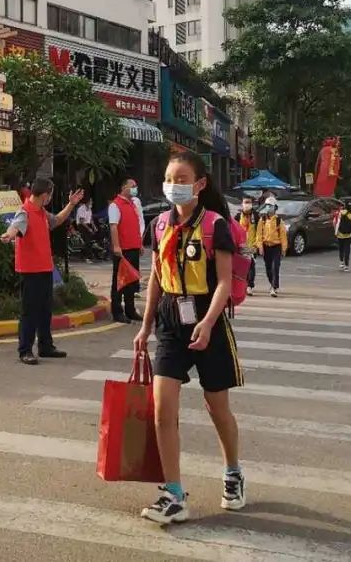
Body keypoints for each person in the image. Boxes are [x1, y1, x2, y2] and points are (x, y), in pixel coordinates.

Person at [134, 151, 244, 524]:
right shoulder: (159, 225)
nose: (174, 185)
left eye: (182, 179)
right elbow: (155, 276)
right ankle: (174, 493)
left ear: (200, 185)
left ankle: (233, 473)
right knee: (163, 410)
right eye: (169, 179)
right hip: (170, 321)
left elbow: (225, 282)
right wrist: (145, 326)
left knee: (217, 407)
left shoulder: (215, 225)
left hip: (207, 318)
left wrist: (209, 322)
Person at [1, 178, 84, 365]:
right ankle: (25, 350)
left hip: (45, 268)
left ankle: (46, 346)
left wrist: (71, 204)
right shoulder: (25, 211)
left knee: (45, 310)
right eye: (51, 195)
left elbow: (57, 220)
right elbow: (15, 226)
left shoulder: (41, 212)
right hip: (30, 271)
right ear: (45, 195)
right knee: (30, 311)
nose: (50, 198)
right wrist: (8, 235)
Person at [108, 178, 144, 322]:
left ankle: (130, 310)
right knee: (119, 282)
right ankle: (117, 312)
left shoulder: (133, 204)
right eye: (132, 186)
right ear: (124, 187)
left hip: (134, 248)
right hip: (122, 250)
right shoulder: (115, 205)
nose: (135, 188)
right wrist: (116, 246)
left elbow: (136, 225)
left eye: (136, 185)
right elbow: (113, 227)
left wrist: (140, 244)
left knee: (131, 281)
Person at [255, 197, 287, 297]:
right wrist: (260, 247)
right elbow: (259, 235)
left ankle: (274, 287)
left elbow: (283, 236)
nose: (269, 208)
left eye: (270, 206)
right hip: (266, 247)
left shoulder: (279, 221)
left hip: (276, 247)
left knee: (275, 267)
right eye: (267, 206)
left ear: (275, 207)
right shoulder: (262, 220)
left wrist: (284, 249)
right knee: (268, 268)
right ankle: (272, 283)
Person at [237, 197, 259, 295]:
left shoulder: (256, 216)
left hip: (252, 245)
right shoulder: (238, 216)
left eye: (249, 202)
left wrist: (257, 245)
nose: (247, 204)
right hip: (241, 245)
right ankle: (243, 285)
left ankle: (250, 286)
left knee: (251, 266)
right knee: (242, 267)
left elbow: (259, 231)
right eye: (245, 202)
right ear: (242, 204)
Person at [335, 200, 351, 271]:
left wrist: (336, 233)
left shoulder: (341, 212)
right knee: (347, 250)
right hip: (348, 235)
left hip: (340, 234)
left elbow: (337, 222)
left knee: (341, 249)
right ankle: (346, 265)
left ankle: (341, 262)